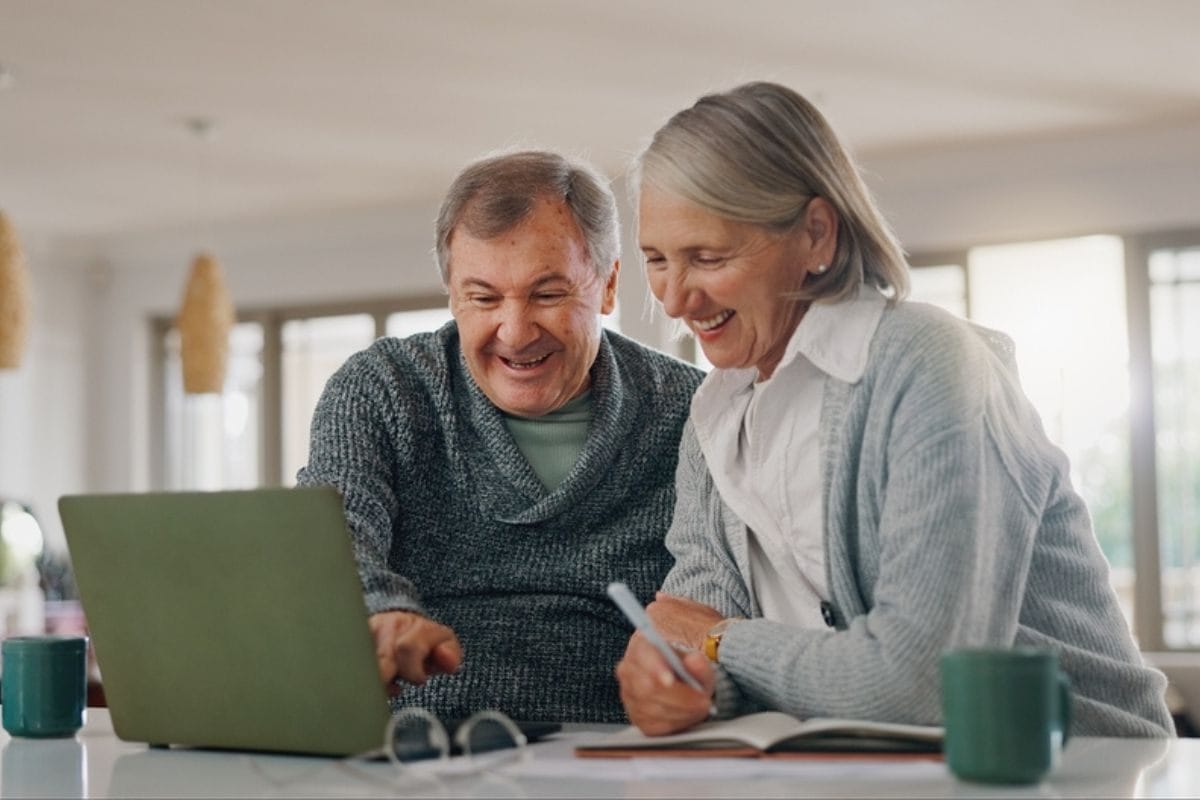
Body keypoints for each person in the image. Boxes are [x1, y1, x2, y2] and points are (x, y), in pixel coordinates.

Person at [615, 81, 1174, 737]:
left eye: (708, 257)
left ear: (816, 235)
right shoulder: (715, 415)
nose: (676, 300)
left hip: (1072, 769)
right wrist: (680, 682)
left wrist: (722, 643)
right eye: (656, 260)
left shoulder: (929, 366)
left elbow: (923, 684)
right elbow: (691, 626)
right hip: (870, 771)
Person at [298, 150, 703, 722]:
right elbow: (331, 531)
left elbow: (716, 606)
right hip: (414, 748)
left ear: (607, 286)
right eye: (483, 297)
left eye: (547, 294)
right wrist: (376, 612)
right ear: (451, 293)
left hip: (612, 749)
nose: (514, 333)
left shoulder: (692, 413)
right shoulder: (382, 389)